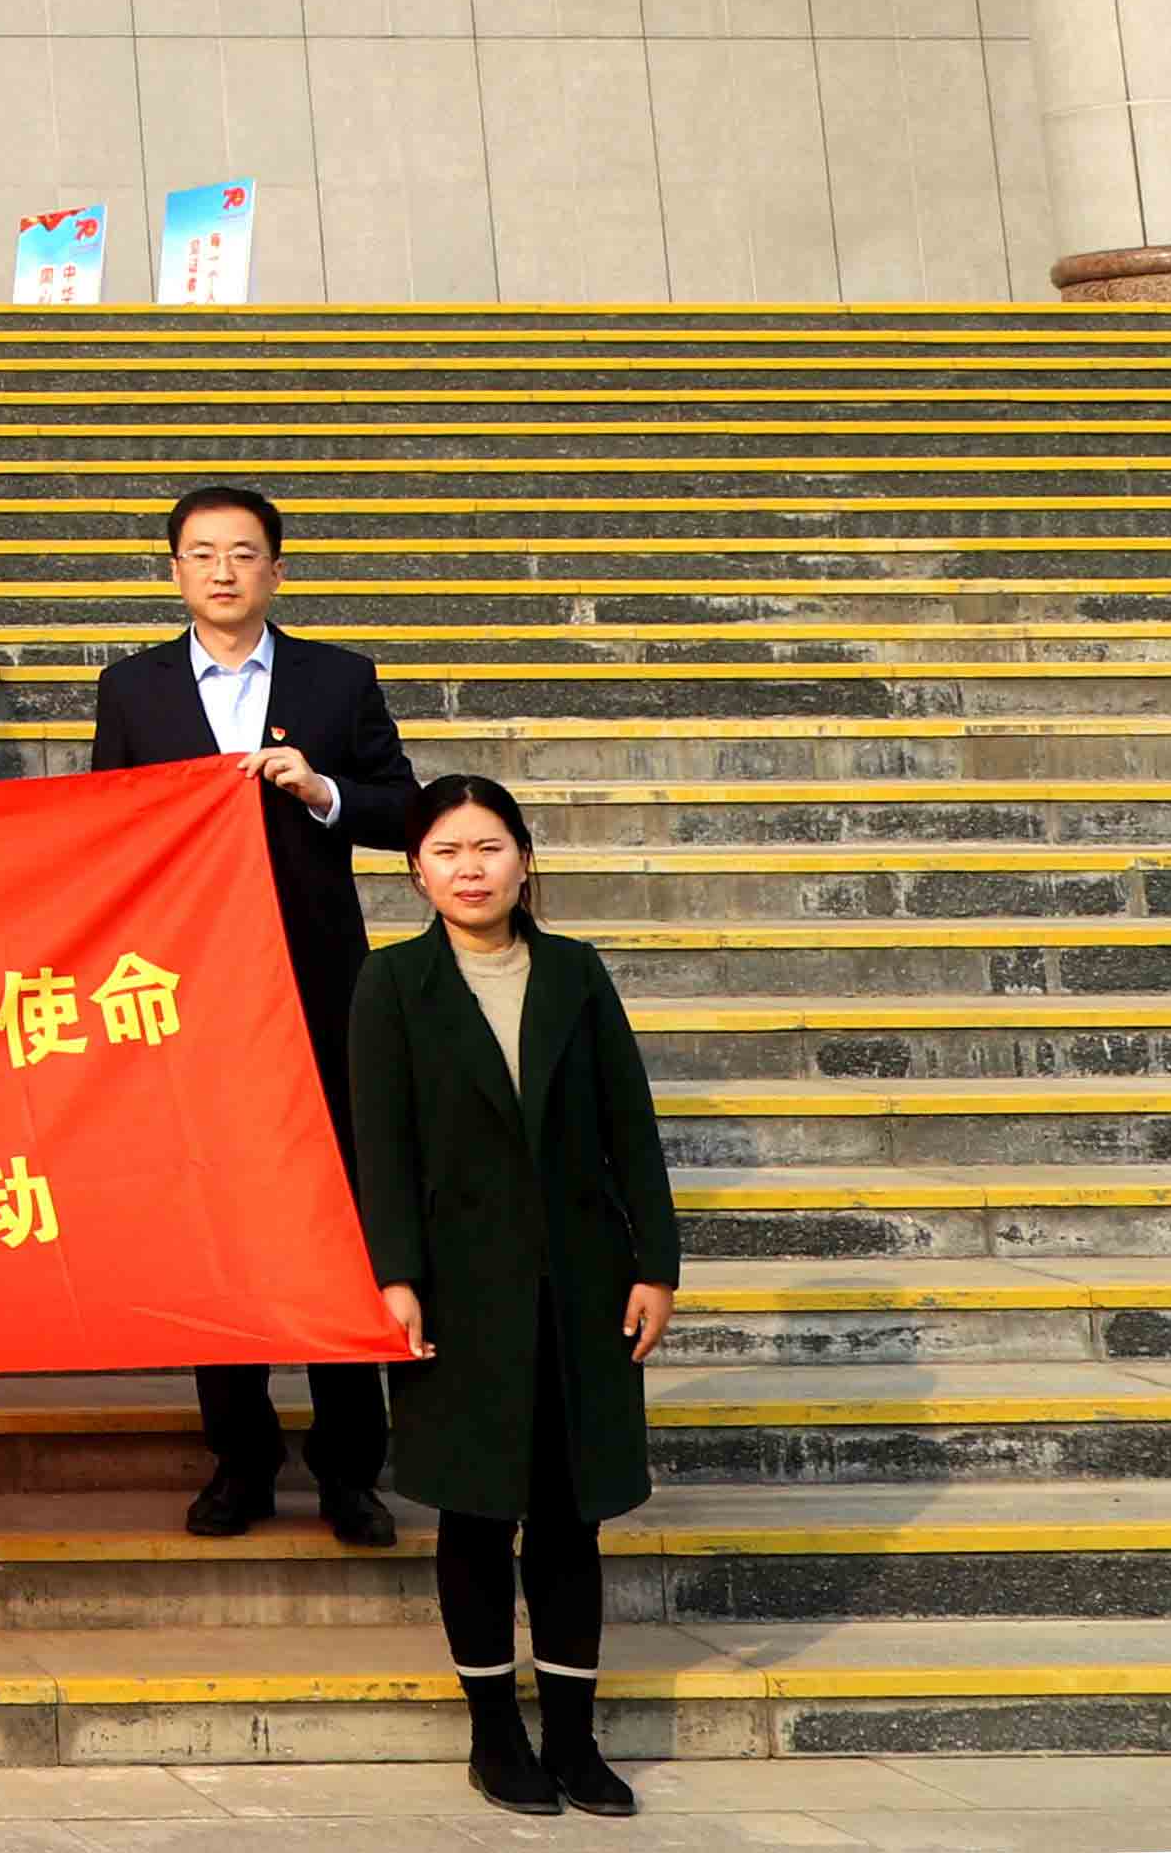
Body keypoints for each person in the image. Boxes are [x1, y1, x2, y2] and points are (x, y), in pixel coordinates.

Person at [92, 483, 418, 1547]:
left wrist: (323, 790)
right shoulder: (132, 689)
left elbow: (405, 809)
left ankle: (350, 1465)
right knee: (217, 1219)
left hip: (318, 986)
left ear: (275, 567)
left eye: (242, 552)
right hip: (191, 993)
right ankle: (238, 1456)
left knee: (334, 1215)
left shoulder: (338, 678)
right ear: (174, 570)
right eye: (201, 553)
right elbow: (101, 829)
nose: (223, 570)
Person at [353, 776, 679, 1823]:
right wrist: (394, 1274)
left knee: (570, 1515)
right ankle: (496, 1735)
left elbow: (629, 1124)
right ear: (417, 871)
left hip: (580, 1284)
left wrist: (656, 1264)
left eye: (488, 846)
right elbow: (379, 1145)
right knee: (476, 1511)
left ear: (524, 859)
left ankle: (574, 1740)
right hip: (458, 1290)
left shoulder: (576, 972)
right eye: (446, 851)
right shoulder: (391, 982)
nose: (470, 868)